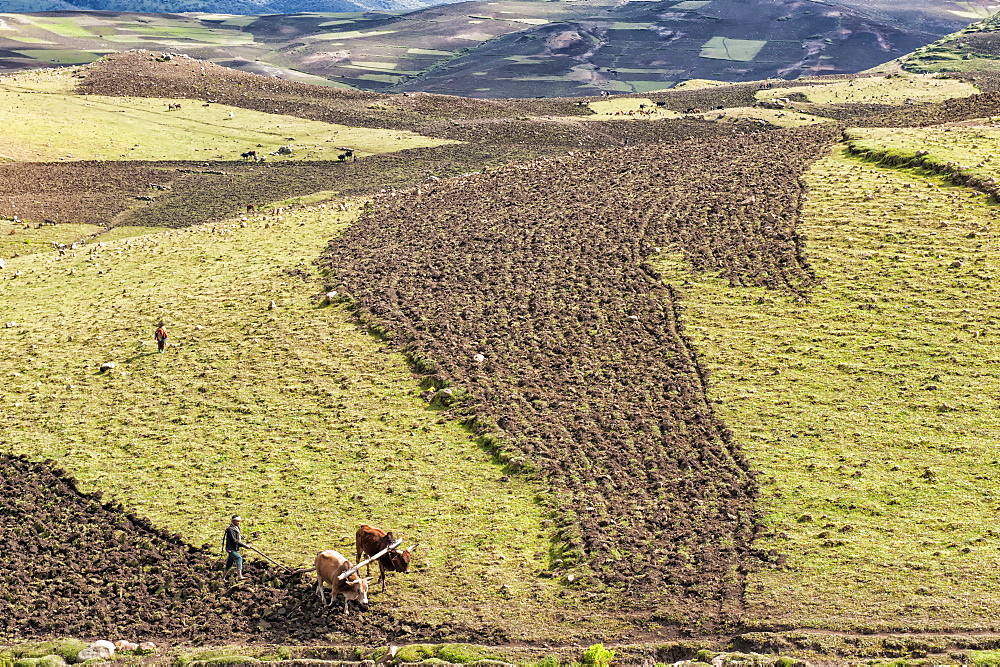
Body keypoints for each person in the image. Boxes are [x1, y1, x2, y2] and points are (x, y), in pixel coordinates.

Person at [223, 515, 251, 579]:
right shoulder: (230, 529)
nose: (238, 523)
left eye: (239, 521)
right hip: (231, 549)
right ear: (233, 521)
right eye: (237, 521)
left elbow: (238, 538)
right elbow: (234, 541)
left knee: (229, 564)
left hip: (235, 549)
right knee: (239, 558)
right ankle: (239, 576)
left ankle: (223, 578)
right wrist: (244, 545)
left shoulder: (237, 528)